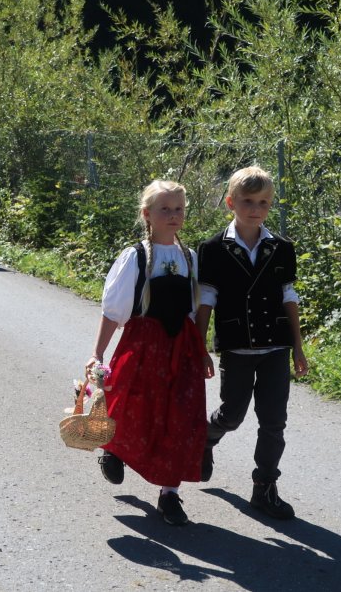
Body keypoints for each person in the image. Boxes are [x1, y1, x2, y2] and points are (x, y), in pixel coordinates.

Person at [87, 180, 216, 526]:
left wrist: (201, 351)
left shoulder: (189, 257)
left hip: (181, 347)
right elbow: (114, 311)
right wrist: (98, 354)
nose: (173, 215)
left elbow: (193, 310)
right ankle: (114, 449)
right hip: (144, 343)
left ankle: (169, 494)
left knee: (180, 417)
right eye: (165, 209)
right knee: (130, 403)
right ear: (147, 214)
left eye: (179, 209)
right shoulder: (137, 257)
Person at [196, 165, 309, 520]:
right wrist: (198, 346)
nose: (255, 208)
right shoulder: (213, 249)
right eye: (247, 201)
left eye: (263, 202)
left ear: (270, 204)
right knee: (232, 414)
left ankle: (265, 487)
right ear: (231, 202)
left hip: (276, 347)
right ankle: (205, 438)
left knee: (274, 421)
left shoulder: (282, 248)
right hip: (236, 345)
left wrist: (298, 347)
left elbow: (288, 296)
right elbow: (206, 300)